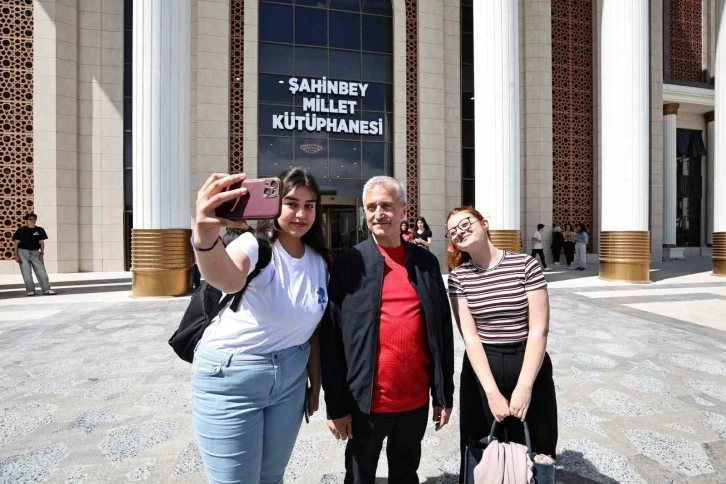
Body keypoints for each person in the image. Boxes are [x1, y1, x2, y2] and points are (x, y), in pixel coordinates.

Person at [191, 168, 331, 484]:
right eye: (291, 203)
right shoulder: (254, 246)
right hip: (232, 377)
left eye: (309, 205)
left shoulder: (319, 261)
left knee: (271, 478)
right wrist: (204, 234)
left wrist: (315, 383)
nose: (301, 213)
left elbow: (313, 330)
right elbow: (227, 277)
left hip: (291, 380)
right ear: (273, 206)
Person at [321, 176, 454, 484]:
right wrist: (336, 406)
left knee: (406, 475)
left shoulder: (425, 263)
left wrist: (443, 393)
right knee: (358, 476)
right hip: (364, 404)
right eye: (371, 207)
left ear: (404, 210)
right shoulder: (349, 262)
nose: (378, 213)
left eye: (386, 205)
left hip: (414, 403)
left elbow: (441, 333)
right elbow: (332, 340)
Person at [444, 207, 557, 482]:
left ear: (483, 223)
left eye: (465, 223)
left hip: (528, 362)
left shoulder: (525, 265)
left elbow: (539, 329)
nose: (460, 231)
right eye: (453, 231)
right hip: (484, 368)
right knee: (483, 447)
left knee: (536, 447)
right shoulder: (459, 278)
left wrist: (525, 387)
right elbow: (470, 337)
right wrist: (492, 392)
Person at [12, 213, 57, 296]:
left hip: (36, 252)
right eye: (31, 219)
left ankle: (46, 289)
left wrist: (42, 254)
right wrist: (16, 255)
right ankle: (30, 290)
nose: (33, 221)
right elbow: (16, 242)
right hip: (22, 252)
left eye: (34, 219)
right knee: (26, 272)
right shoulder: (21, 230)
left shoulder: (40, 230)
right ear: (26, 221)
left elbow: (41, 242)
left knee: (41, 271)